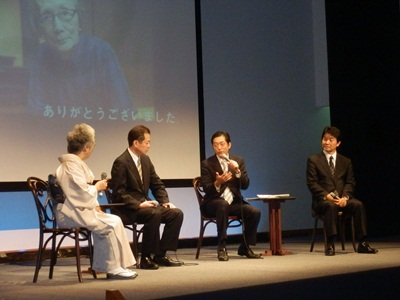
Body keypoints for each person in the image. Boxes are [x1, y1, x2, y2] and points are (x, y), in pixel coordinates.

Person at [55, 123, 137, 279]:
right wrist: (97, 187)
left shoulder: (73, 165)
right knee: (109, 225)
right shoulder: (69, 166)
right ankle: (113, 268)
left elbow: (80, 193)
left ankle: (115, 266)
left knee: (114, 220)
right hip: (69, 214)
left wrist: (95, 204)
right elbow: (80, 193)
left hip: (77, 210)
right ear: (86, 147)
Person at [28, 0, 133, 115]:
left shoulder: (101, 52)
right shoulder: (39, 56)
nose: (58, 27)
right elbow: (36, 114)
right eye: (47, 17)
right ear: (39, 27)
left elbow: (124, 111)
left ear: (79, 19)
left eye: (65, 13)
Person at [111, 125, 184, 270]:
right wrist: (139, 204)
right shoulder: (121, 162)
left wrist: (165, 201)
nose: (149, 145)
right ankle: (145, 257)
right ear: (136, 143)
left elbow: (157, 184)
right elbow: (119, 193)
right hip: (128, 209)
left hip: (146, 207)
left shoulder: (146, 160)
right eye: (147, 142)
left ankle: (160, 255)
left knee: (176, 213)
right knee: (154, 213)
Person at [306, 126, 378, 256]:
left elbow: (350, 182)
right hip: (323, 201)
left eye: (330, 140)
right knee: (330, 206)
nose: (326, 142)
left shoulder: (346, 161)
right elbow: (312, 183)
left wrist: (345, 197)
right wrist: (326, 195)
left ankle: (362, 243)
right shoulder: (314, 160)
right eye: (324, 139)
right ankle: (330, 244)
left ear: (338, 143)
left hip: (342, 199)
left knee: (358, 205)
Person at [201, 131, 262, 261]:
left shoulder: (238, 161)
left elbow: (245, 185)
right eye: (215, 144)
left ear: (229, 145)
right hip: (212, 203)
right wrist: (218, 182)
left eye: (222, 144)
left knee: (254, 212)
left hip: (233, 203)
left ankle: (245, 247)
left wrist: (237, 171)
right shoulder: (207, 163)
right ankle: (222, 247)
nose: (219, 147)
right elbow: (206, 188)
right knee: (222, 204)